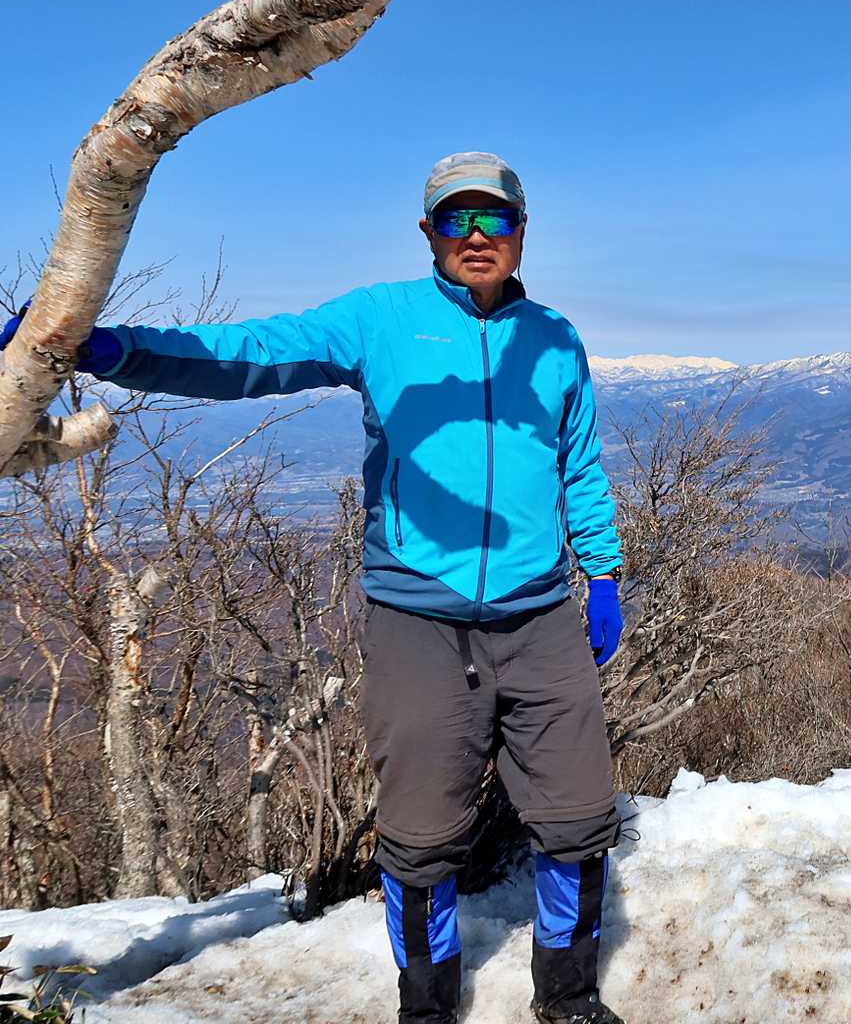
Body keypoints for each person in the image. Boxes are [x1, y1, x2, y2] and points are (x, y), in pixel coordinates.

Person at [3, 152, 628, 1024]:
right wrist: (113, 349)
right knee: (420, 837)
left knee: (578, 820)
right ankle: (427, 1009)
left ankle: (568, 998)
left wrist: (603, 571)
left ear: (522, 231)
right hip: (419, 618)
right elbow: (252, 355)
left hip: (540, 613)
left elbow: (579, 465)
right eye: (457, 219)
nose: (477, 235)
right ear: (428, 233)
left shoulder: (554, 338)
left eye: (495, 218)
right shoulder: (380, 320)